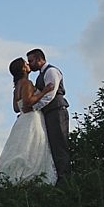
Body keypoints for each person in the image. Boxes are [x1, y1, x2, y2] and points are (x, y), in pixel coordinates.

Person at [0, 57, 57, 184]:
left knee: (22, 148)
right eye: (26, 63)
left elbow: (15, 108)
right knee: (35, 147)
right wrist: (44, 91)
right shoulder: (27, 83)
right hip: (32, 118)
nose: (28, 64)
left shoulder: (16, 87)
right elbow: (28, 102)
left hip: (22, 120)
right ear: (23, 68)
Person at [25, 48, 71, 183]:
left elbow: (50, 95)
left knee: (59, 144)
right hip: (49, 112)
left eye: (31, 61)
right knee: (52, 145)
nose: (30, 64)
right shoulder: (41, 75)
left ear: (39, 59)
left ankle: (65, 178)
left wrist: (34, 108)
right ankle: (59, 177)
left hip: (57, 110)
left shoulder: (51, 71)